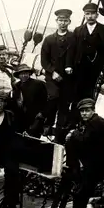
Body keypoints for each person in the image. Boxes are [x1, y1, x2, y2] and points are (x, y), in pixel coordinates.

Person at [54, 98, 104, 208]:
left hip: (91, 171)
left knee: (79, 203)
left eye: (87, 110)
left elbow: (86, 140)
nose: (85, 113)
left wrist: (72, 135)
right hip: (88, 170)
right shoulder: (91, 123)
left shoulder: (96, 124)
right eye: (82, 111)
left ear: (93, 110)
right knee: (78, 202)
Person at [70, 3, 104, 105]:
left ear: (97, 15)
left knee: (90, 92)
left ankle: (87, 116)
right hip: (79, 66)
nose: (90, 16)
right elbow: (72, 49)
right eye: (87, 14)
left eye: (93, 14)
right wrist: (70, 65)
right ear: (84, 15)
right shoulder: (78, 31)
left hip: (96, 66)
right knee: (76, 91)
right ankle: (73, 116)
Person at [40, 9, 74, 144]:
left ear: (69, 22)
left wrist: (71, 68)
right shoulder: (49, 40)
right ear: (56, 21)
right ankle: (47, 122)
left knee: (64, 106)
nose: (63, 23)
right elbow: (44, 60)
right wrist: (53, 72)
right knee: (53, 97)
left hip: (68, 78)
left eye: (65, 20)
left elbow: (77, 55)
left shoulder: (73, 38)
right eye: (60, 20)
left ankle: (59, 135)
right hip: (52, 77)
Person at [12, 63, 47, 137]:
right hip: (21, 118)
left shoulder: (39, 84)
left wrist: (42, 113)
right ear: (18, 75)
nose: (24, 75)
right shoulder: (16, 86)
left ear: (29, 73)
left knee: (33, 138)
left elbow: (46, 100)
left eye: (26, 73)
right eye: (21, 74)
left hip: (35, 117)